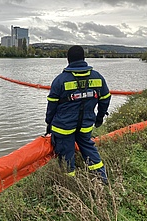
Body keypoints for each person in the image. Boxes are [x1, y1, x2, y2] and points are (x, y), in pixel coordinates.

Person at [45, 45, 111, 184]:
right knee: (88, 148)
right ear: (83, 58)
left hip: (64, 127)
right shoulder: (97, 77)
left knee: (66, 156)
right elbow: (105, 98)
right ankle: (102, 180)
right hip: (85, 125)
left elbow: (52, 105)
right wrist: (99, 118)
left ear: (68, 59)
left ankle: (69, 185)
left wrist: (49, 123)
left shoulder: (60, 80)